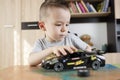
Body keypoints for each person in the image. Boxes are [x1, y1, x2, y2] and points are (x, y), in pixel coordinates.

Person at [28, 0, 92, 66]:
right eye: (58, 24)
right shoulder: (40, 43)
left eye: (67, 24)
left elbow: (88, 48)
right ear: (42, 26)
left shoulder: (71, 37)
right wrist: (52, 50)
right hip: (48, 76)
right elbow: (31, 61)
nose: (64, 29)